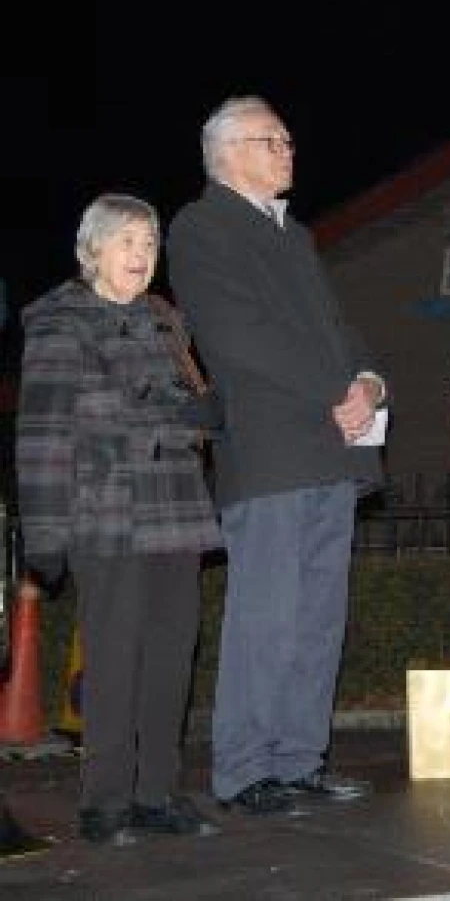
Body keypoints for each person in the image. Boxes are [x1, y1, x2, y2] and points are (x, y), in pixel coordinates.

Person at [166, 96, 385, 816]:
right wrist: (335, 387)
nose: (289, 149)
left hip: (330, 450)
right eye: (273, 139)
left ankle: (298, 760)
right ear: (228, 152)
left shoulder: (296, 236)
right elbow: (239, 335)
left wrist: (368, 382)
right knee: (269, 615)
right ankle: (244, 769)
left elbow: (339, 329)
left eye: (289, 138)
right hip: (270, 454)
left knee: (320, 616)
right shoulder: (202, 229)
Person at [16, 194, 224, 845]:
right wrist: (44, 533)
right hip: (107, 513)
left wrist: (206, 415)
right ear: (94, 250)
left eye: (150, 244)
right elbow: (46, 432)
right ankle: (104, 803)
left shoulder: (165, 320)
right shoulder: (61, 322)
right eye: (128, 241)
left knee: (171, 656)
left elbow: (198, 405)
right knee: (114, 659)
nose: (141, 255)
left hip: (178, 512)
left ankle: (158, 793)